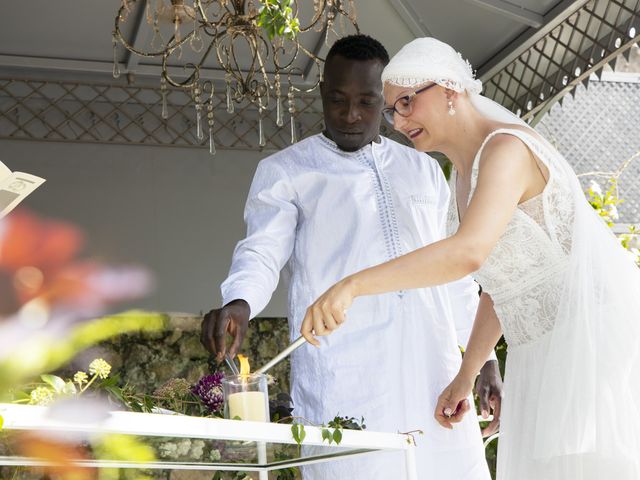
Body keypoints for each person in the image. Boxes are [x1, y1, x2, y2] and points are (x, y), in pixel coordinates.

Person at [301, 36, 640, 480]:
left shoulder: (506, 150)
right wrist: (467, 374)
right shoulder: (460, 179)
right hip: (536, 354)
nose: (398, 121)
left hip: (588, 344)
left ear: (449, 90)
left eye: (406, 102)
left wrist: (353, 284)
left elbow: (468, 254)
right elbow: (503, 284)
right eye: (392, 110)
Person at [201, 35, 499, 479]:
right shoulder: (287, 172)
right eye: (338, 100)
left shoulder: (423, 169)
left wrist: (485, 360)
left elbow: (454, 273)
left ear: (391, 102)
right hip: (348, 374)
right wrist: (240, 301)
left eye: (367, 100)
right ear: (321, 92)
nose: (351, 114)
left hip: (432, 370)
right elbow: (262, 250)